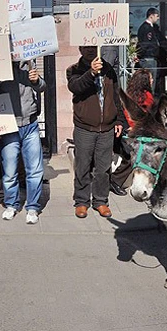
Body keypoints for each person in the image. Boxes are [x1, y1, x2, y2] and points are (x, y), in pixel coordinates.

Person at [67, 46, 126, 219]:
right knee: (83, 166)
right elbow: (76, 87)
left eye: (93, 46)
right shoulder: (74, 70)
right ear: (80, 48)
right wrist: (91, 73)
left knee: (103, 168)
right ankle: (81, 201)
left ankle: (101, 201)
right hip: (84, 127)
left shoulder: (108, 69)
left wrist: (119, 120)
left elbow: (116, 96)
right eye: (86, 47)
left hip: (106, 128)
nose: (90, 50)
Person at [0, 60, 46, 223]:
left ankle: (33, 207)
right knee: (10, 169)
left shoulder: (29, 63)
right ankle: (11, 204)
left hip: (30, 123)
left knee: (34, 170)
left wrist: (36, 80)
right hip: (9, 125)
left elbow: (42, 87)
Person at [110, 69, 154, 196]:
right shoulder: (147, 97)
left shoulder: (129, 94)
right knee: (132, 158)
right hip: (135, 133)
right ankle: (115, 181)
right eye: (150, 79)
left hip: (125, 130)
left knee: (128, 157)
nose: (152, 81)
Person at [136, 8, 166, 94]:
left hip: (150, 58)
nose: (158, 18)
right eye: (157, 16)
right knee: (149, 83)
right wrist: (140, 55)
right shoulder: (146, 28)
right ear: (151, 16)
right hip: (148, 58)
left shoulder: (150, 28)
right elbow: (145, 44)